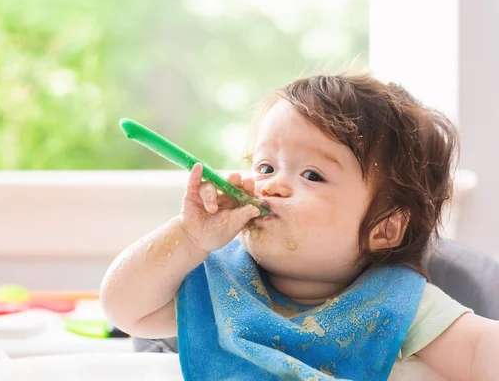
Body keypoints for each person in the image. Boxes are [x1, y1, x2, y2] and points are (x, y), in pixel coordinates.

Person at [100, 73, 499, 380]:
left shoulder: (397, 304)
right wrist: (187, 237)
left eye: (311, 174)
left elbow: (482, 351)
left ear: (385, 230)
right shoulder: (218, 281)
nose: (272, 184)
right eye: (265, 166)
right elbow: (124, 308)